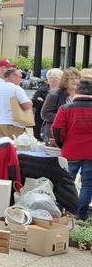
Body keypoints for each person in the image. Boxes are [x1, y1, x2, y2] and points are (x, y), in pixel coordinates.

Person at [51, 78, 92, 220]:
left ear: (77, 91)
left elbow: (56, 129)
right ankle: (80, 216)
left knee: (65, 183)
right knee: (88, 185)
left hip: (71, 150)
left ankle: (60, 213)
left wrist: (62, 143)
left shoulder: (66, 108)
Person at [42, 67, 80, 146]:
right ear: (65, 81)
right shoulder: (55, 94)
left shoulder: (81, 94)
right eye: (72, 79)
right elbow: (45, 114)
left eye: (77, 78)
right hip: (55, 134)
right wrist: (64, 118)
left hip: (73, 133)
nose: (75, 81)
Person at [0, 68, 32, 139]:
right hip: (13, 124)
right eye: (20, 77)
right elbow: (27, 106)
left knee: (3, 146)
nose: (21, 80)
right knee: (15, 146)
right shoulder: (16, 89)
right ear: (12, 76)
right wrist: (30, 102)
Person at [32, 68, 61, 142]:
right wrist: (47, 104)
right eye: (50, 77)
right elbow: (34, 102)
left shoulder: (62, 92)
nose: (52, 79)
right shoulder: (41, 90)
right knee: (39, 139)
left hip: (54, 120)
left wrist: (43, 102)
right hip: (40, 119)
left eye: (55, 78)